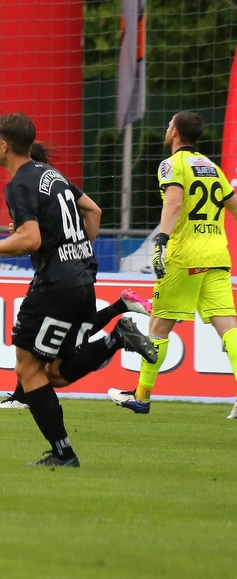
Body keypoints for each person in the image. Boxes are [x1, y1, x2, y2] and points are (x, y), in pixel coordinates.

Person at [0, 113, 156, 467]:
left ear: (5, 145)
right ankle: (114, 340)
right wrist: (74, 252)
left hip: (54, 287)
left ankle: (65, 452)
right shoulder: (51, 175)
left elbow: (31, 238)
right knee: (53, 372)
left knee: (28, 370)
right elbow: (94, 211)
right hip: (83, 280)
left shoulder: (19, 183)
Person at [0, 143, 153, 409]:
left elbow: (33, 238)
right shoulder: (57, 182)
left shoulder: (28, 185)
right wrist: (81, 253)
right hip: (80, 271)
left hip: (57, 276)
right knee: (67, 346)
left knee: (39, 345)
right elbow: (94, 212)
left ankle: (22, 398)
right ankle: (119, 320)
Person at [108, 111, 237, 419]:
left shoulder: (172, 164)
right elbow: (233, 205)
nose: (166, 130)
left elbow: (175, 202)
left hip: (184, 256)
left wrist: (162, 239)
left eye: (168, 126)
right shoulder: (211, 167)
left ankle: (140, 397)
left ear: (176, 132)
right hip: (217, 256)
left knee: (157, 329)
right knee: (229, 329)